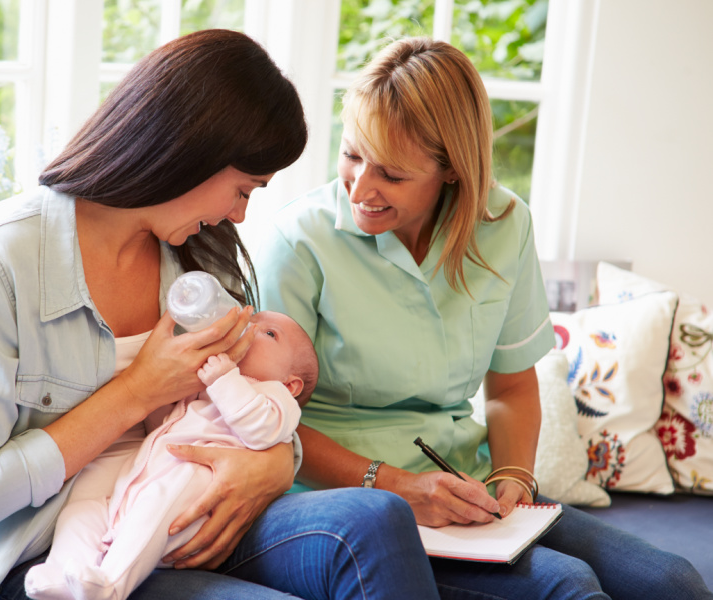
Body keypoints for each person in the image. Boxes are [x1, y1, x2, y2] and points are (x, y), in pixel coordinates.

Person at [0, 29, 440, 600]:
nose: (240, 216)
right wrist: (136, 392)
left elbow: (258, 395)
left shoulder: (202, 253)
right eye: (243, 189)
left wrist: (274, 464)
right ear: (190, 152)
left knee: (377, 518)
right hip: (60, 555)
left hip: (185, 508)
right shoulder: (2, 258)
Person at [255, 36, 713, 600]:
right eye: (351, 154)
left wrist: (513, 481)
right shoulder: (297, 242)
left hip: (464, 485)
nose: (361, 187)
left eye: (392, 175)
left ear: (451, 170)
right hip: (343, 498)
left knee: (675, 582)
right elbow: (269, 422)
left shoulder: (504, 225)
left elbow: (512, 385)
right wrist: (400, 486)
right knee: (568, 587)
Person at [25, 311, 318, 600]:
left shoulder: (276, 397)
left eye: (269, 334)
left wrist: (224, 379)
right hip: (138, 487)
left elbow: (261, 430)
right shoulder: (208, 385)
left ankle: (111, 586)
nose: (250, 329)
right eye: (251, 322)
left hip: (190, 506)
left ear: (291, 384)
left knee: (160, 497)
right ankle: (60, 575)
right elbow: (161, 424)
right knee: (83, 512)